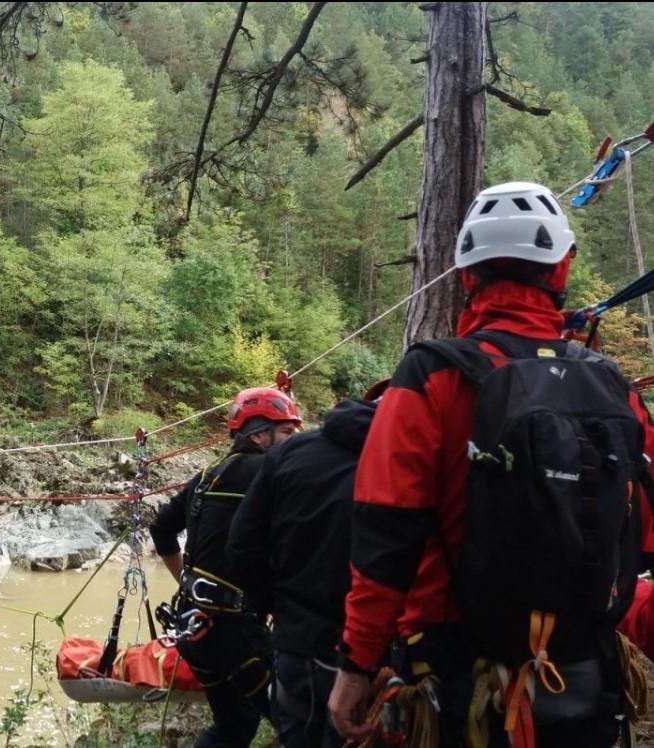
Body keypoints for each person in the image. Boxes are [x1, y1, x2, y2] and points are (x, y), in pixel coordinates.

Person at [329, 182, 654, 747]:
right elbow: (643, 535)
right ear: (562, 267)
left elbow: (385, 535)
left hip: (459, 682)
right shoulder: (612, 386)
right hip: (582, 677)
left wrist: (355, 665)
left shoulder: (432, 376)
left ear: (464, 277)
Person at [227, 389, 381, 748]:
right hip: (370, 652)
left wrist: (275, 605)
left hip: (297, 643)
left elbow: (241, 547)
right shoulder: (408, 456)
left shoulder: (289, 454)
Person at [149, 386, 301, 748]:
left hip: (194, 625)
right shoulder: (269, 472)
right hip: (235, 634)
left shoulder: (205, 477)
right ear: (260, 434)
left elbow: (161, 529)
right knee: (302, 725)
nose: (296, 443)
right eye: (288, 434)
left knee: (234, 726)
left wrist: (190, 582)